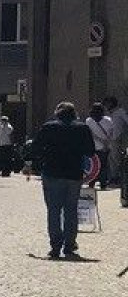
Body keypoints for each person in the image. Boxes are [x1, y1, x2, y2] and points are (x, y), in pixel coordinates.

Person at [25, 101, 97, 260]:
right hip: (74, 174)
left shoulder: (49, 127)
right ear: (74, 113)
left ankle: (55, 246)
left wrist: (38, 160)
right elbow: (91, 152)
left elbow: (35, 149)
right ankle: (69, 245)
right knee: (71, 210)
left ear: (57, 113)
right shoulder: (82, 128)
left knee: (54, 210)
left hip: (52, 173)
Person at [86, 103, 116, 189]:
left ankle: (91, 183)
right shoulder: (108, 120)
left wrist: (99, 140)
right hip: (105, 147)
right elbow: (111, 132)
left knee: (93, 166)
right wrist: (106, 142)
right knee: (103, 166)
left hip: (93, 146)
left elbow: (90, 133)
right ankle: (103, 184)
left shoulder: (89, 120)